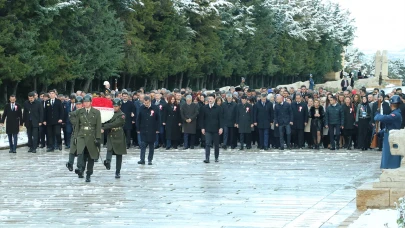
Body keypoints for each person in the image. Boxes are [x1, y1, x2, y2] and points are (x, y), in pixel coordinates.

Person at [75, 95, 102, 182]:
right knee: (80, 153)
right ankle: (80, 169)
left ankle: (89, 173)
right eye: (84, 102)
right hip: (82, 135)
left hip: (92, 136)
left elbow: (98, 126)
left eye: (87, 102)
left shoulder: (96, 112)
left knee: (91, 156)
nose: (86, 103)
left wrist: (98, 138)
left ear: (91, 102)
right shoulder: (80, 112)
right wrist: (76, 136)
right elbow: (77, 126)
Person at [375, 95, 402, 169]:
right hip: (389, 135)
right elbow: (389, 125)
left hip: (392, 136)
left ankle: (391, 168)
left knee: (390, 155)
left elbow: (385, 118)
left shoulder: (395, 114)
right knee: (387, 154)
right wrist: (381, 132)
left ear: (391, 104)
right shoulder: (395, 113)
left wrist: (377, 115)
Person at [102, 98, 127, 179]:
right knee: (109, 149)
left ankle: (118, 171)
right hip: (111, 134)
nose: (115, 107)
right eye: (114, 106)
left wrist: (104, 127)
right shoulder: (110, 113)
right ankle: (108, 162)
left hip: (118, 134)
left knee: (119, 154)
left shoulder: (122, 115)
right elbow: (106, 120)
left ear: (120, 106)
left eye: (116, 106)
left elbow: (115, 123)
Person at [200, 94, 223, 163]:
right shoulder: (204, 108)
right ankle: (207, 158)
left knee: (216, 144)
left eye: (211, 98)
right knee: (207, 143)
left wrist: (221, 128)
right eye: (209, 98)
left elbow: (221, 119)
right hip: (207, 129)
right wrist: (202, 128)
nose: (210, 100)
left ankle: (216, 157)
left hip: (216, 129)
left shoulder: (218, 108)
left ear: (214, 99)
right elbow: (202, 119)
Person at [136, 96, 160, 165]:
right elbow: (138, 119)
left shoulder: (155, 108)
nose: (145, 104)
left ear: (150, 101)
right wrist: (138, 128)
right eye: (144, 103)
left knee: (151, 146)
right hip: (143, 129)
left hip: (152, 129)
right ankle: (142, 159)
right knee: (143, 145)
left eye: (147, 103)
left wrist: (157, 129)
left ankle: (150, 160)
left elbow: (158, 119)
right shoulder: (141, 108)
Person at [65, 96, 83, 173]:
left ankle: (79, 167)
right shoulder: (72, 113)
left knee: (80, 152)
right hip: (75, 134)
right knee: (72, 150)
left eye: (80, 104)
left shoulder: (86, 113)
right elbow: (75, 122)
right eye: (77, 104)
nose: (78, 105)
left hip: (84, 135)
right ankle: (70, 163)